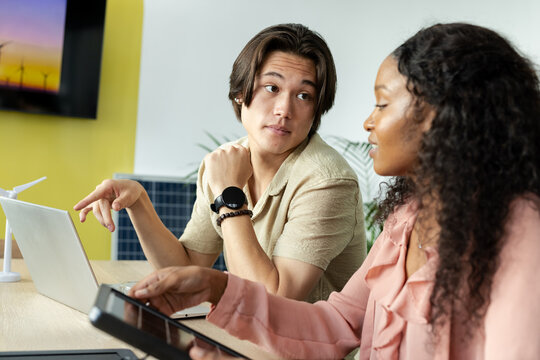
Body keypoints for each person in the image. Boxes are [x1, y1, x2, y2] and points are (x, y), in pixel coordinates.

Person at [129, 22, 540, 359]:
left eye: (381, 104)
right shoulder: (407, 220)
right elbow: (338, 323)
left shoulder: (523, 240)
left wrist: (230, 204)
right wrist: (216, 288)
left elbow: (282, 295)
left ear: (438, 117)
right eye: (271, 88)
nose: (367, 123)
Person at [74, 23, 366, 303]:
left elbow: (274, 299)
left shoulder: (328, 182)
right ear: (240, 93)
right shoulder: (223, 161)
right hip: (248, 340)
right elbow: (187, 267)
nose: (284, 110)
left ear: (317, 110)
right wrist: (139, 202)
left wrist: (229, 194)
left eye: (304, 95)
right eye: (272, 88)